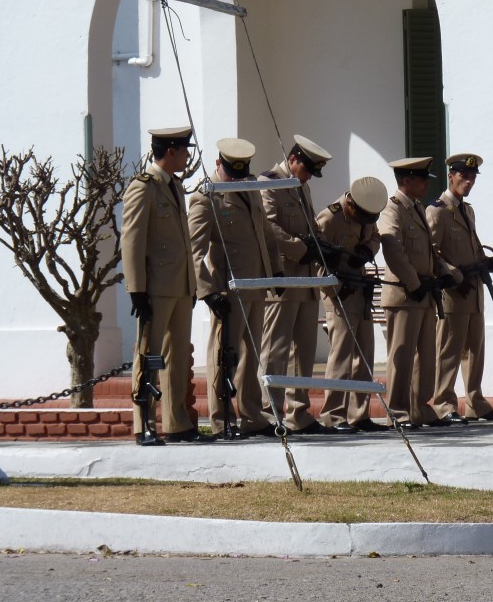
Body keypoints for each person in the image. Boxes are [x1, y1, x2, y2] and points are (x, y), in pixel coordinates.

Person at [122, 126, 211, 445]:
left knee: (175, 357)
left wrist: (191, 284)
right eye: (184, 149)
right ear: (170, 151)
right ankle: (143, 423)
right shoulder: (144, 187)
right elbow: (132, 239)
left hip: (180, 285)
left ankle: (176, 423)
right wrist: (137, 289)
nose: (188, 155)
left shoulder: (173, 185)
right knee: (149, 356)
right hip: (155, 287)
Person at [189, 138, 281, 439]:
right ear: (219, 165)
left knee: (251, 356)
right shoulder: (207, 196)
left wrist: (275, 272)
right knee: (222, 357)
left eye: (241, 173)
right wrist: (207, 291)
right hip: (228, 290)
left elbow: (265, 231)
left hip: (255, 285)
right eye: (232, 172)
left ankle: (252, 416)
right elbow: (195, 250)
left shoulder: (251, 188)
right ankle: (221, 419)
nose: (237, 178)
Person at [258, 135, 340, 435]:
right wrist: (301, 248)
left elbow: (310, 228)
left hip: (306, 281)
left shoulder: (300, 186)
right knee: (275, 351)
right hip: (282, 278)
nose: (307, 177)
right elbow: (268, 228)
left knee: (303, 353)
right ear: (293, 160)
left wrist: (322, 246)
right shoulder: (268, 182)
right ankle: (269, 413)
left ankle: (299, 412)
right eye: (305, 169)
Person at [427, 154, 493, 423]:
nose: (469, 181)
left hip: (475, 289)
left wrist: (486, 261)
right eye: (464, 175)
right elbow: (432, 253)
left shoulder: (467, 210)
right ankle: (443, 403)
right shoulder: (437, 211)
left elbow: (471, 246)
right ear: (451, 175)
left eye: (473, 177)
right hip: (453, 293)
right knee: (450, 351)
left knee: (475, 350)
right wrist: (451, 273)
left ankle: (475, 401)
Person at [379, 157, 458, 430]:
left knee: (425, 355)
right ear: (407, 180)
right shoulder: (393, 208)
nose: (426, 184)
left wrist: (443, 271)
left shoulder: (417, 208)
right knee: (401, 356)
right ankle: (398, 411)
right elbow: (392, 249)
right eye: (422, 179)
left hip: (423, 292)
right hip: (405, 293)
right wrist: (413, 283)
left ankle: (420, 407)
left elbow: (428, 251)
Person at [316, 176, 390, 433]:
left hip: (360, 288)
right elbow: (317, 263)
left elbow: (376, 237)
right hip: (339, 293)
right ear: (351, 203)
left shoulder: (366, 213)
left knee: (364, 356)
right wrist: (337, 288)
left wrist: (366, 253)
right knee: (341, 356)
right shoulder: (329, 218)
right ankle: (333, 415)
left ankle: (359, 414)